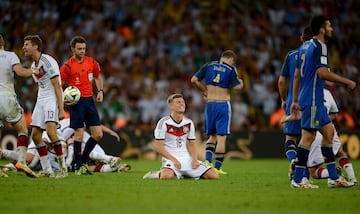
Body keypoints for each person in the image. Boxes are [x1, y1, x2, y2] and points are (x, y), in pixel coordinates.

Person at [290, 15, 356, 188]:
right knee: (308, 136)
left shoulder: (303, 46)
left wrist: (295, 100)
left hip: (310, 97)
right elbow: (323, 74)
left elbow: (296, 75)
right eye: (329, 25)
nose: (332, 28)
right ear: (321, 29)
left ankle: (334, 179)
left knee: (329, 134)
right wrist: (347, 81)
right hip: (313, 98)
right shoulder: (321, 46)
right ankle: (298, 180)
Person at [281, 88, 357, 185]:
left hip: (315, 129)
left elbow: (300, 113)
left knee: (313, 170)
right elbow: (334, 114)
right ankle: (353, 179)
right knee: (340, 153)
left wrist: (287, 118)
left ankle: (331, 175)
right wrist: (324, 119)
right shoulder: (327, 92)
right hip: (329, 128)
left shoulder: (306, 93)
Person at [190, 50, 243, 174]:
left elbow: (193, 80)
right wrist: (241, 83)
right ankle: (217, 168)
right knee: (221, 138)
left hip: (210, 104)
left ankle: (207, 163)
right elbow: (237, 87)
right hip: (223, 104)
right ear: (231, 60)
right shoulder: (231, 69)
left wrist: (204, 90)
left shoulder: (208, 66)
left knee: (212, 136)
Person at [143, 94, 218, 180]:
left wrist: (194, 159)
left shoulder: (189, 123)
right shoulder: (163, 123)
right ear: (171, 106)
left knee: (214, 175)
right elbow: (159, 147)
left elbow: (192, 144)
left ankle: (185, 174)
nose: (182, 104)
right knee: (166, 176)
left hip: (187, 159)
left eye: (183, 102)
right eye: (178, 102)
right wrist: (173, 160)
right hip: (171, 160)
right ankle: (156, 174)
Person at [23, 34, 68, 178]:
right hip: (41, 99)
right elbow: (41, 85)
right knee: (35, 136)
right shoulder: (32, 66)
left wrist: (61, 109)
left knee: (50, 132)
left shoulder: (48, 62)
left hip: (51, 99)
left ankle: (63, 169)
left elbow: (57, 86)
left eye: (27, 44)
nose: (24, 47)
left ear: (35, 46)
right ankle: (47, 169)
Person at [60, 36, 104, 175]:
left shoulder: (91, 62)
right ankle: (79, 166)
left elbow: (97, 77)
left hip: (89, 100)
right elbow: (58, 84)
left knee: (98, 134)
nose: (82, 51)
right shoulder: (67, 66)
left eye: (84, 49)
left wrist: (100, 91)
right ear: (73, 49)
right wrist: (63, 99)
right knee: (79, 133)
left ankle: (81, 161)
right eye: (79, 49)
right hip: (76, 102)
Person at [0, 34, 39, 178]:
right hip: (6, 98)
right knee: (23, 129)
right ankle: (21, 161)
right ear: (3, 43)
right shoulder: (10, 56)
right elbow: (20, 72)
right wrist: (32, 71)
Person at [278, 26, 313, 180]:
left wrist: (284, 99)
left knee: (290, 139)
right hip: (311, 99)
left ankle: (293, 161)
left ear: (301, 38)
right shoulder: (316, 54)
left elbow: (281, 81)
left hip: (294, 100)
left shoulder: (291, 55)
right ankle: (304, 175)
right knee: (308, 139)